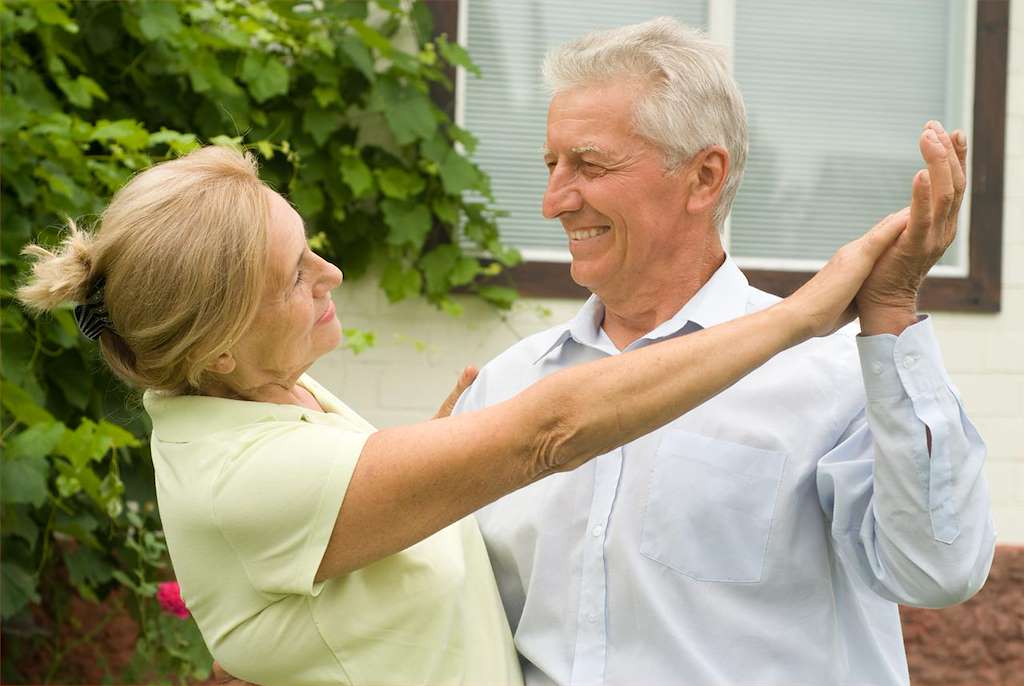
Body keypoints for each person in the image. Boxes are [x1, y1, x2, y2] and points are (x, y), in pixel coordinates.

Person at [17, 116, 938, 685]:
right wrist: (806, 315)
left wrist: (429, 456)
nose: (331, 273)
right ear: (216, 347)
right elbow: (554, 428)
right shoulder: (248, 471)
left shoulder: (268, 396)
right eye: (297, 275)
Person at [449, 17, 995, 686]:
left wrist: (889, 315)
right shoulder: (504, 387)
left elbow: (939, 571)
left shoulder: (834, 374)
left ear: (704, 177)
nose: (553, 201)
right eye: (551, 165)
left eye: (588, 165)